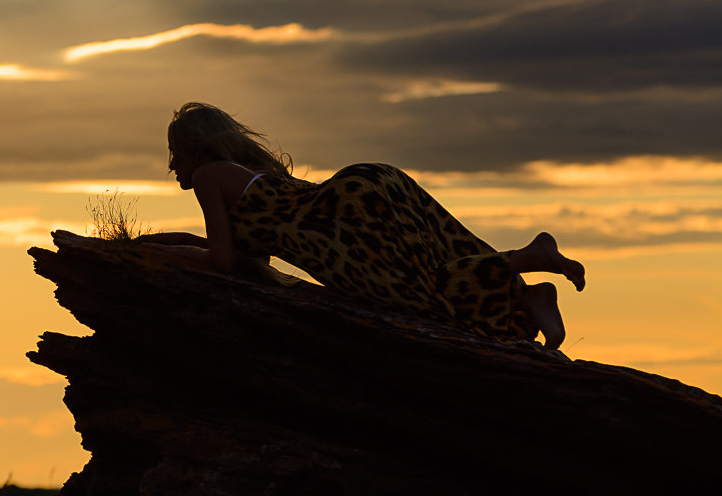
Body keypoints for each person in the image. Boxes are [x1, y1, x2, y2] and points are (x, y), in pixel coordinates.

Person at [144, 102, 585, 349]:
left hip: (345, 223)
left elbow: (221, 260)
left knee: (419, 298)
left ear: (194, 150)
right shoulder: (250, 174)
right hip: (365, 183)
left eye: (174, 153)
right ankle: (529, 287)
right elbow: (247, 259)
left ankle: (524, 265)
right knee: (439, 253)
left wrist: (157, 254)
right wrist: (172, 242)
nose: (171, 165)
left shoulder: (209, 176)